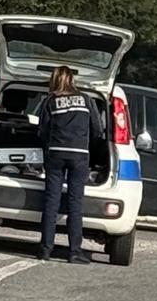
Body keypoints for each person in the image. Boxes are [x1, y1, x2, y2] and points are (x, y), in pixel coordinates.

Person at [37, 64, 106, 264]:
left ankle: (45, 249)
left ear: (55, 80)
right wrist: (89, 148)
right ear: (72, 80)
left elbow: (42, 130)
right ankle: (75, 251)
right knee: (75, 204)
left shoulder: (50, 101)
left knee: (51, 202)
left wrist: (46, 150)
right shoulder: (86, 99)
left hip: (56, 154)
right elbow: (97, 130)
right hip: (79, 156)